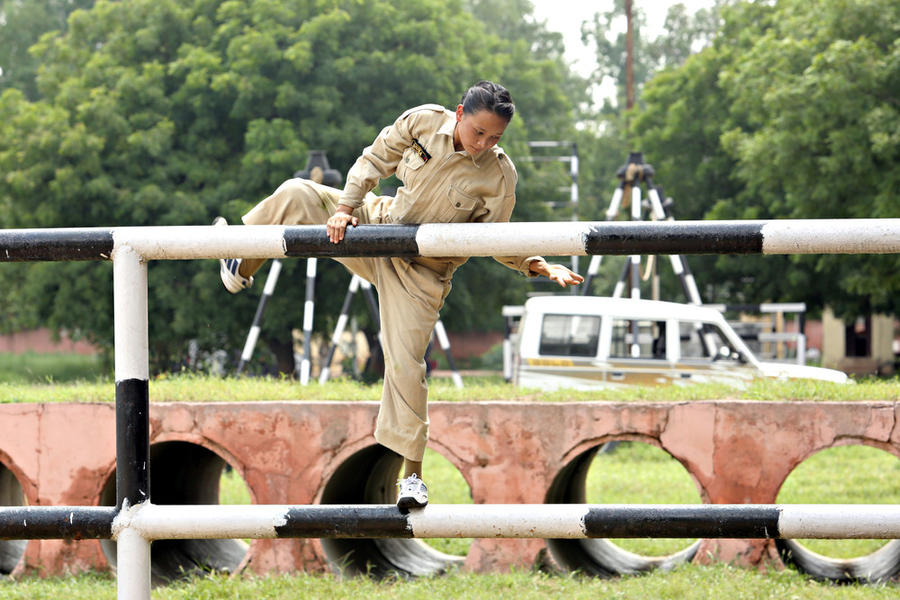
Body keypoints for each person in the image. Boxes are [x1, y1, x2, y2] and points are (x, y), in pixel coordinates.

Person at [215, 80, 582, 509]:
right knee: (297, 193)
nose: (483, 144)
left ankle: (411, 478)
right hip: (379, 225)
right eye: (478, 132)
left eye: (495, 138)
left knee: (406, 364)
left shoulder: (499, 175)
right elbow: (374, 160)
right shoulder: (423, 121)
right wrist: (345, 209)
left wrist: (535, 262)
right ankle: (239, 264)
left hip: (422, 273)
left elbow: (494, 238)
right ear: (460, 114)